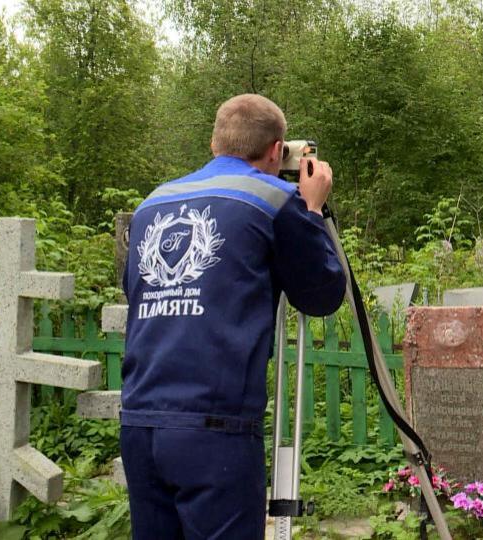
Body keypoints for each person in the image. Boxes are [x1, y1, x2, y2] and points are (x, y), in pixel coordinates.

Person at [119, 94, 346, 540]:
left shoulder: (151, 205)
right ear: (279, 151)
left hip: (141, 419)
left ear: (213, 143)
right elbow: (321, 294)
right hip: (216, 428)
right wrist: (314, 209)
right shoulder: (275, 199)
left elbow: (135, 291)